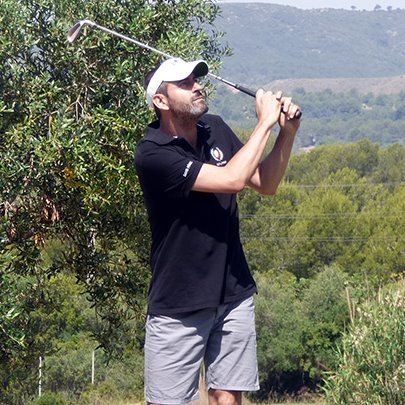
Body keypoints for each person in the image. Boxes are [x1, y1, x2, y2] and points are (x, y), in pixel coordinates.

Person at [135, 58, 300, 405]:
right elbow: (232, 179)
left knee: (228, 398)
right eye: (184, 83)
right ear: (161, 101)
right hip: (178, 302)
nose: (197, 86)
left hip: (233, 293)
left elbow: (265, 183)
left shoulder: (216, 128)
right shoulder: (153, 154)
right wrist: (265, 123)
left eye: (196, 79)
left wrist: (286, 133)